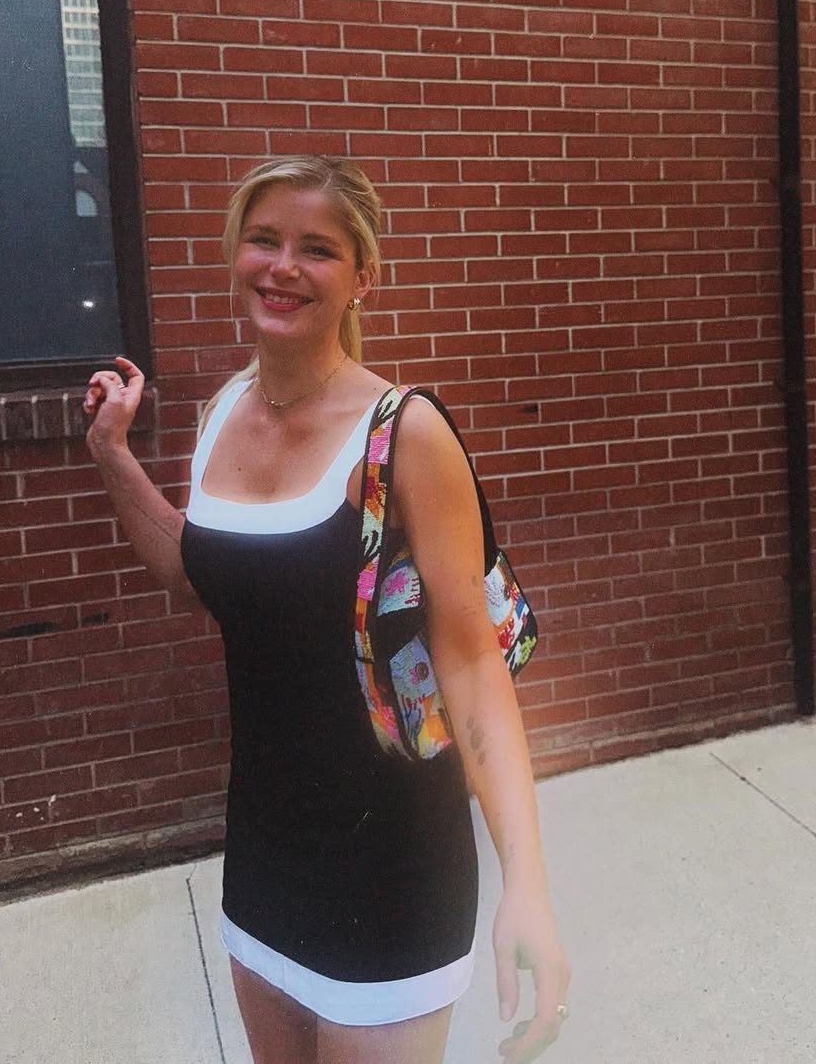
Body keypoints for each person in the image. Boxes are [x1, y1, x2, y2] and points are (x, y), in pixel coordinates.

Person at [84, 155, 570, 1064]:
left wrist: (527, 883)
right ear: (235, 253)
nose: (283, 266)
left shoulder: (406, 432)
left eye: (317, 248)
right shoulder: (223, 412)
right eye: (263, 239)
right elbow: (202, 576)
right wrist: (114, 456)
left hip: (392, 873)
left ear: (362, 276)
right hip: (263, 865)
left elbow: (472, 664)